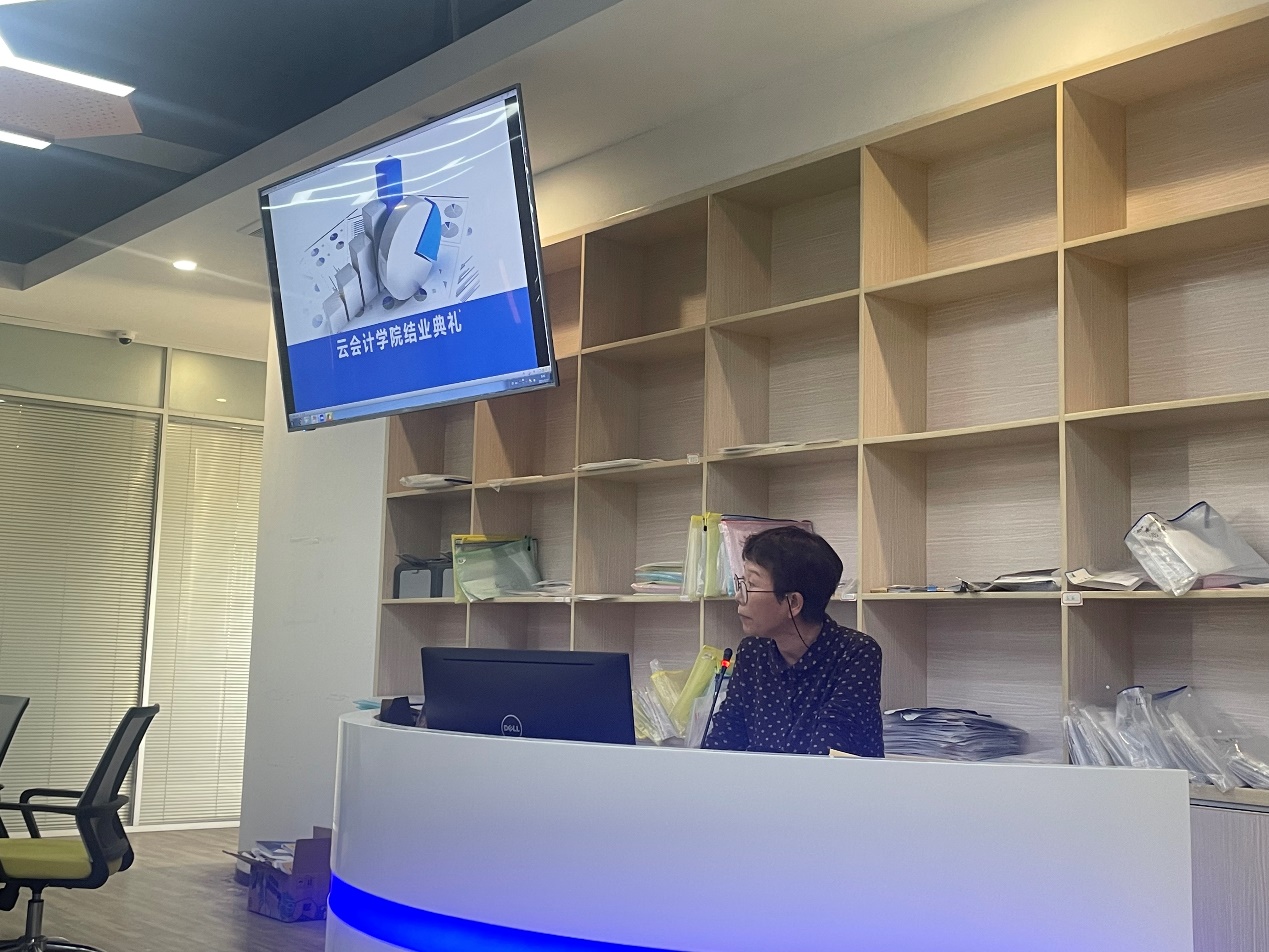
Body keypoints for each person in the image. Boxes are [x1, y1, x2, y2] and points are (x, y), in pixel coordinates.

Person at [702, 526, 883, 756]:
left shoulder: (855, 653)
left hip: (831, 780)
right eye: (742, 583)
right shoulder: (752, 652)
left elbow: (830, 751)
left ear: (793, 603)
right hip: (761, 780)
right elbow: (723, 741)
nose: (739, 596)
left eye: (752, 585)